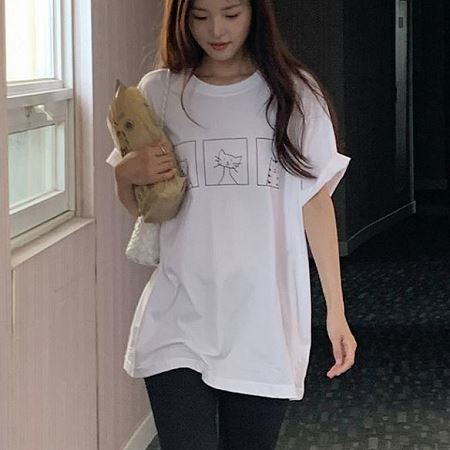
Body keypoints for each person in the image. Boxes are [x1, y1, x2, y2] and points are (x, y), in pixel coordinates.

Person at [106, 0, 357, 449]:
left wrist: (336, 312)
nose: (216, 30)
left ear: (255, 13)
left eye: (231, 14)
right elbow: (145, 209)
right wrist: (125, 175)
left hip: (263, 322)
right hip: (177, 316)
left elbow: (316, 203)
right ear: (183, 18)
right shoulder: (160, 91)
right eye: (200, 17)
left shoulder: (295, 93)